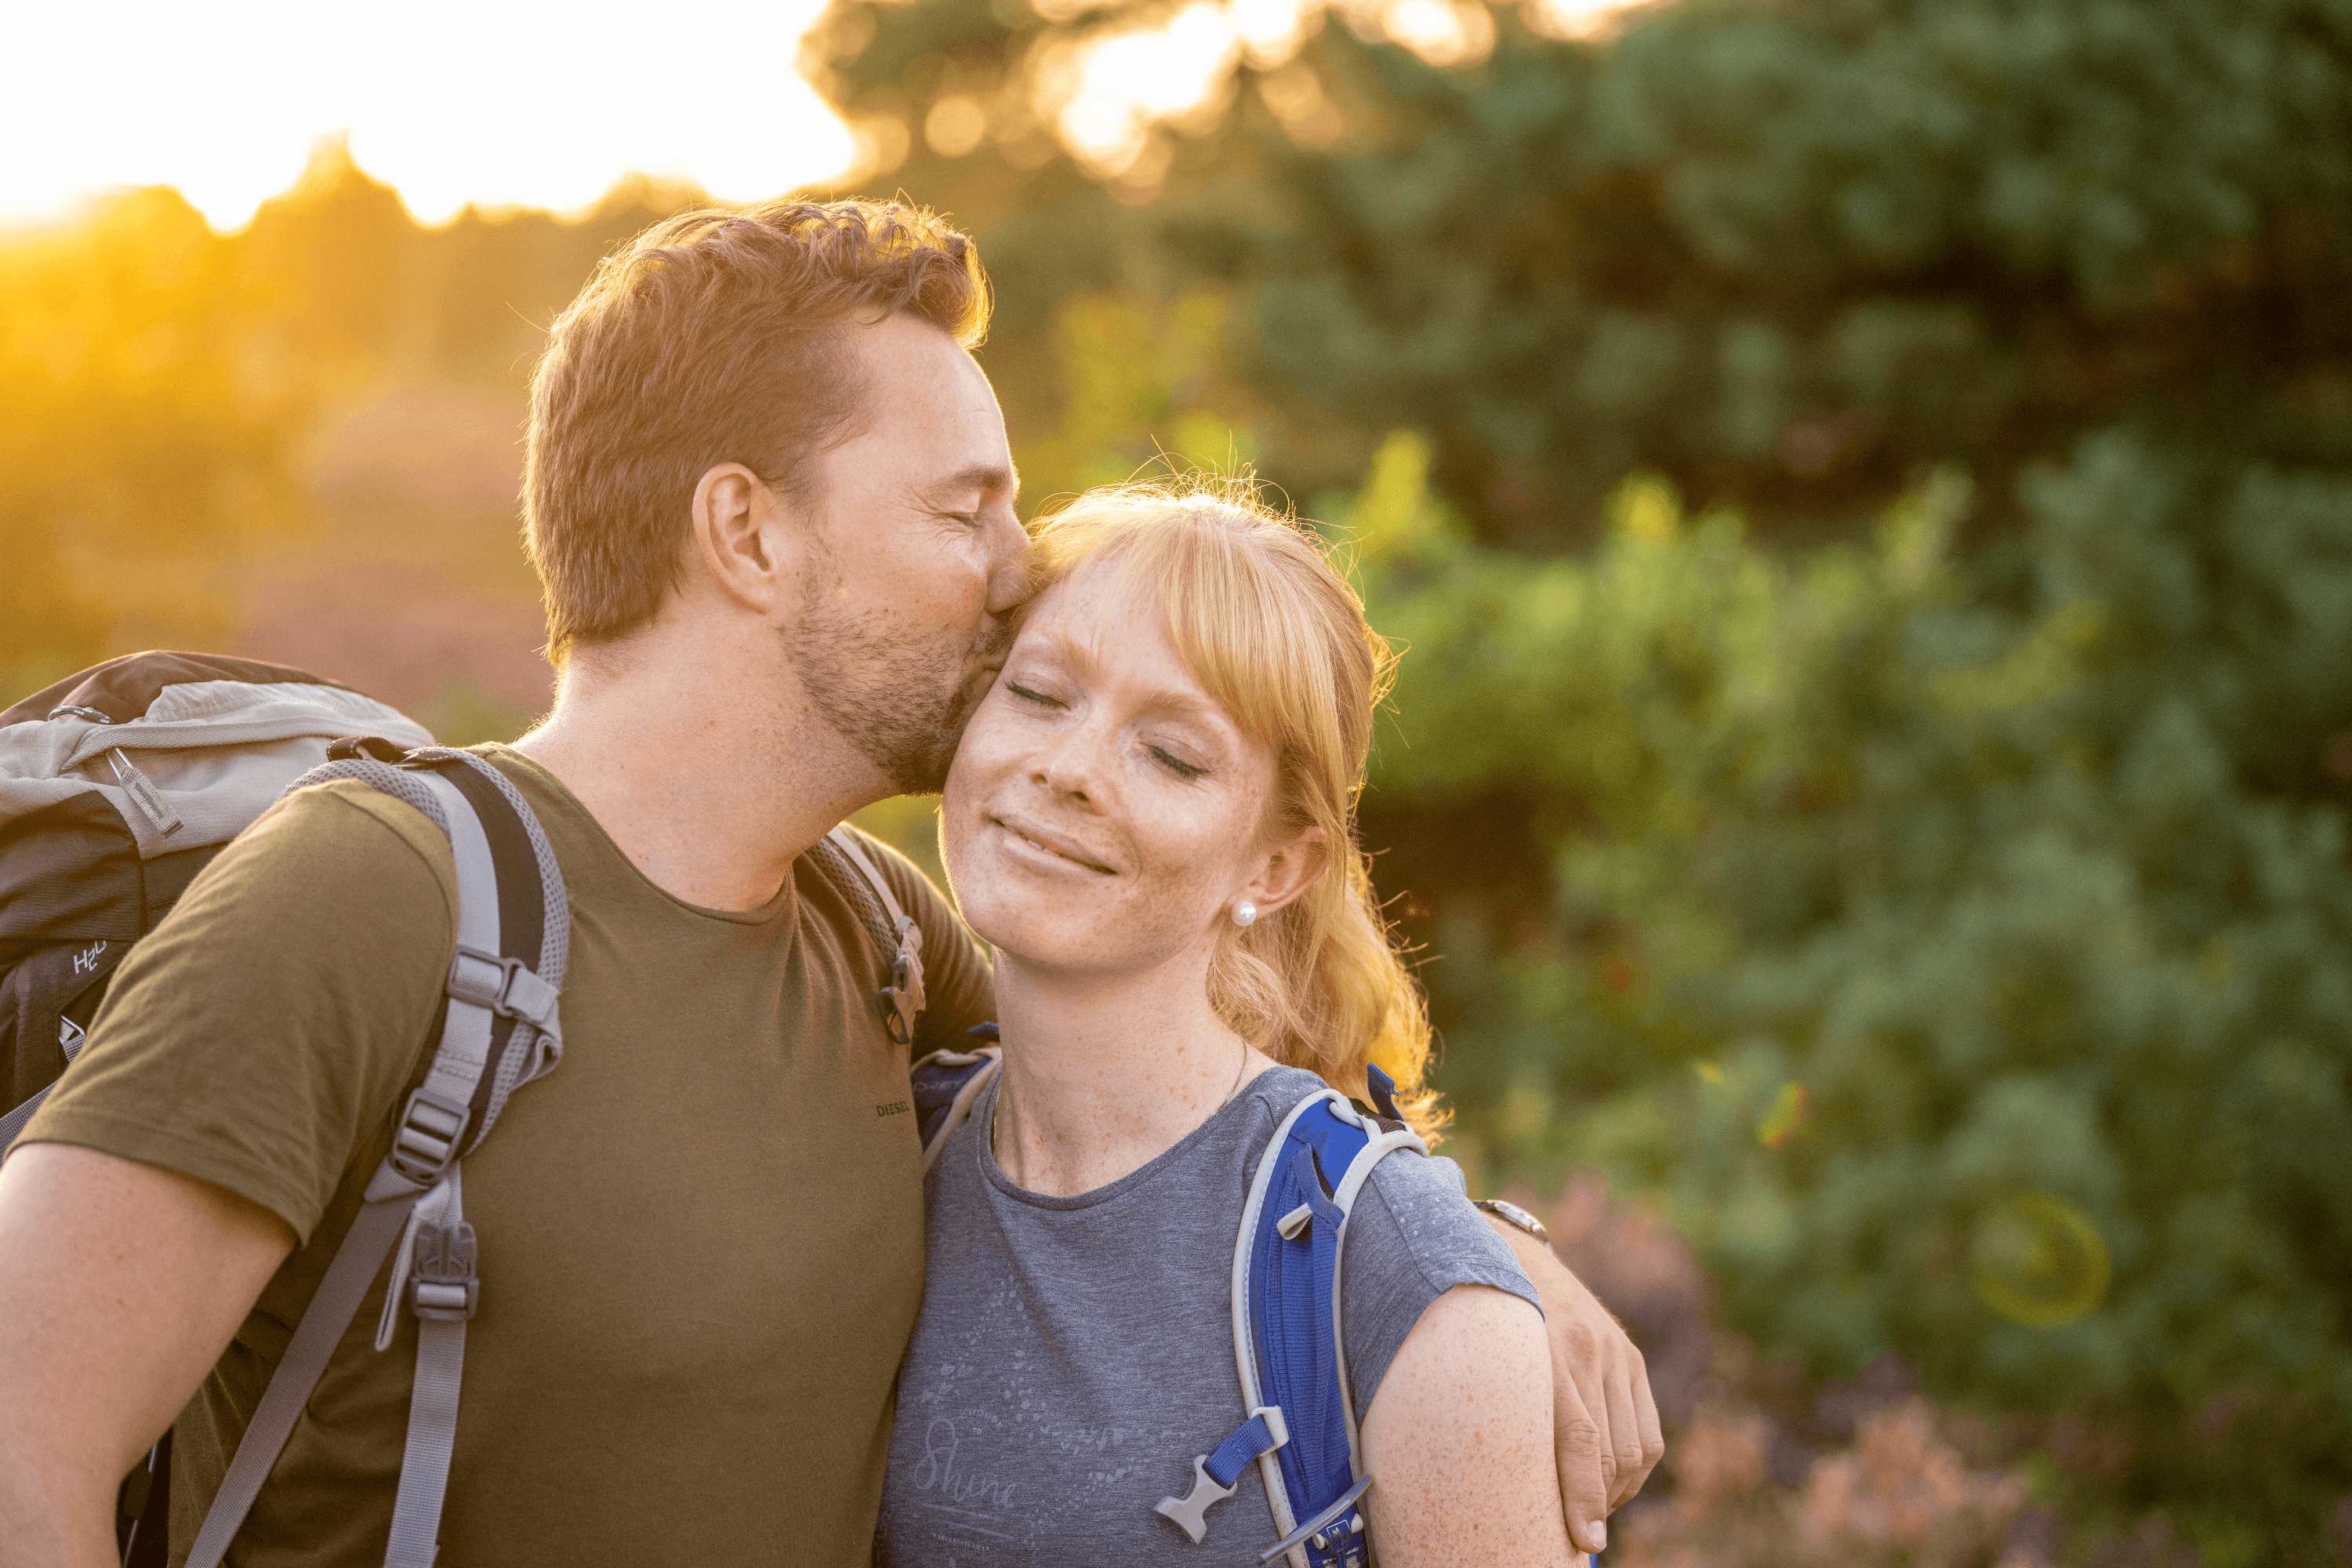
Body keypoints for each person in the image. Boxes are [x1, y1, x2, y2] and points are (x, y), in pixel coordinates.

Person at [0, 200, 1657, 1567]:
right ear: (750, 534)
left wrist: (1469, 1269)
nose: (1017, 581)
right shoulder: (370, 905)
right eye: (966, 510)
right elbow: (23, 1455)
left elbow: (1175, 1084)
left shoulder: (872, 935)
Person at [876, 484, 1577, 1566]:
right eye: (1041, 694)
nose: (1068, 769)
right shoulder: (893, 1135)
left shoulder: (1398, 1280)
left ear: (1276, 866)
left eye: (1172, 755)